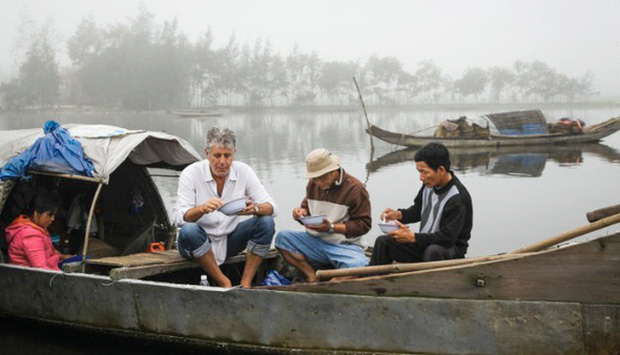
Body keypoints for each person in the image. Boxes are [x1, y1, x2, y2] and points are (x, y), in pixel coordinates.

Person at [173, 127, 278, 288]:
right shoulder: (191, 173)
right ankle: (224, 281)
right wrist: (202, 209)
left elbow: (272, 208)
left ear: (233, 153)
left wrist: (254, 208)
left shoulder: (244, 171)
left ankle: (246, 282)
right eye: (217, 156)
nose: (222, 162)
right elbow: (179, 218)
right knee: (190, 230)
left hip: (228, 240)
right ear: (207, 153)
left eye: (227, 156)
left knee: (265, 222)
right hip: (196, 243)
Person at [275, 148, 371, 282]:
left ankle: (332, 284)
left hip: (344, 246)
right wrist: (300, 213)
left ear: (333, 171)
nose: (319, 183)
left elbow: (364, 225)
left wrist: (331, 227)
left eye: (322, 178)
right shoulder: (313, 185)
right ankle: (311, 276)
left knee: (359, 265)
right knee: (282, 238)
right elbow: (306, 207)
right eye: (315, 179)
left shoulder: (355, 189)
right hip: (315, 241)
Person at [370, 142, 472, 265]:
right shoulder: (429, 185)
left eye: (424, 172)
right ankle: (373, 280)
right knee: (383, 242)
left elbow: (448, 237)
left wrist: (414, 237)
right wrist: (398, 215)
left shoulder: (458, 197)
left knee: (433, 251)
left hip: (449, 250)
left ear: (441, 170)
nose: (421, 178)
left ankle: (427, 283)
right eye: (419, 172)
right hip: (425, 243)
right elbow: (419, 210)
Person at [5, 192, 70, 270]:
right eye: (49, 215)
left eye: (54, 215)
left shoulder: (38, 228)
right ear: (36, 214)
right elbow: (41, 270)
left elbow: (49, 251)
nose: (53, 219)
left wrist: (62, 256)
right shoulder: (30, 235)